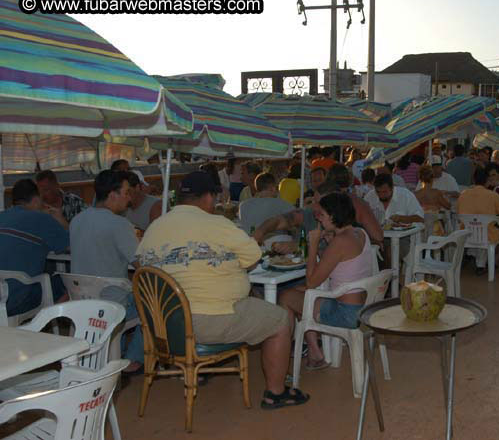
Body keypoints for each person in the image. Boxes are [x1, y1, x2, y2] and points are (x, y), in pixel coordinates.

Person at [137, 171, 309, 409]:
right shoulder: (218, 224)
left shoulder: (155, 227)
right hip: (208, 322)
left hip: (163, 326)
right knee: (279, 319)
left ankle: (203, 366)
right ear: (208, 197)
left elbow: (142, 265)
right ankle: (275, 393)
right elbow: (252, 257)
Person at [279, 192, 374, 370]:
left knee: (286, 297)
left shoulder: (340, 241)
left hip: (346, 313)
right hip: (363, 307)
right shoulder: (359, 233)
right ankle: (315, 352)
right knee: (300, 295)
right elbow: (341, 263)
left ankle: (285, 355)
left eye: (321, 215)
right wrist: (329, 243)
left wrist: (313, 245)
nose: (319, 220)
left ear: (333, 216)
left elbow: (311, 282)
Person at [70, 170, 143, 372]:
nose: (129, 198)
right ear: (113, 195)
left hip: (80, 301)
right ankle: (133, 360)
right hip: (111, 304)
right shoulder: (119, 224)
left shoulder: (77, 220)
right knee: (155, 302)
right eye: (126, 192)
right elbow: (142, 266)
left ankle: (113, 352)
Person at [0, 179, 69, 317]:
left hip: (2, 295)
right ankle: (48, 322)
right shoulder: (42, 219)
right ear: (37, 199)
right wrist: (61, 220)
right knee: (66, 282)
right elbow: (71, 246)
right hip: (17, 301)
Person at [457, 167, 499, 275]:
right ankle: (481, 264)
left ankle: (474, 256)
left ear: (474, 180)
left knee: (479, 229)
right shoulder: (493, 196)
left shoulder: (463, 194)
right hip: (486, 234)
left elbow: (459, 212)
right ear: (487, 181)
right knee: (493, 231)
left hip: (466, 233)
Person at [326, 164, 384, 247]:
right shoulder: (357, 202)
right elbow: (378, 235)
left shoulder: (320, 201)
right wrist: (371, 241)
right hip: (350, 252)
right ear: (349, 180)